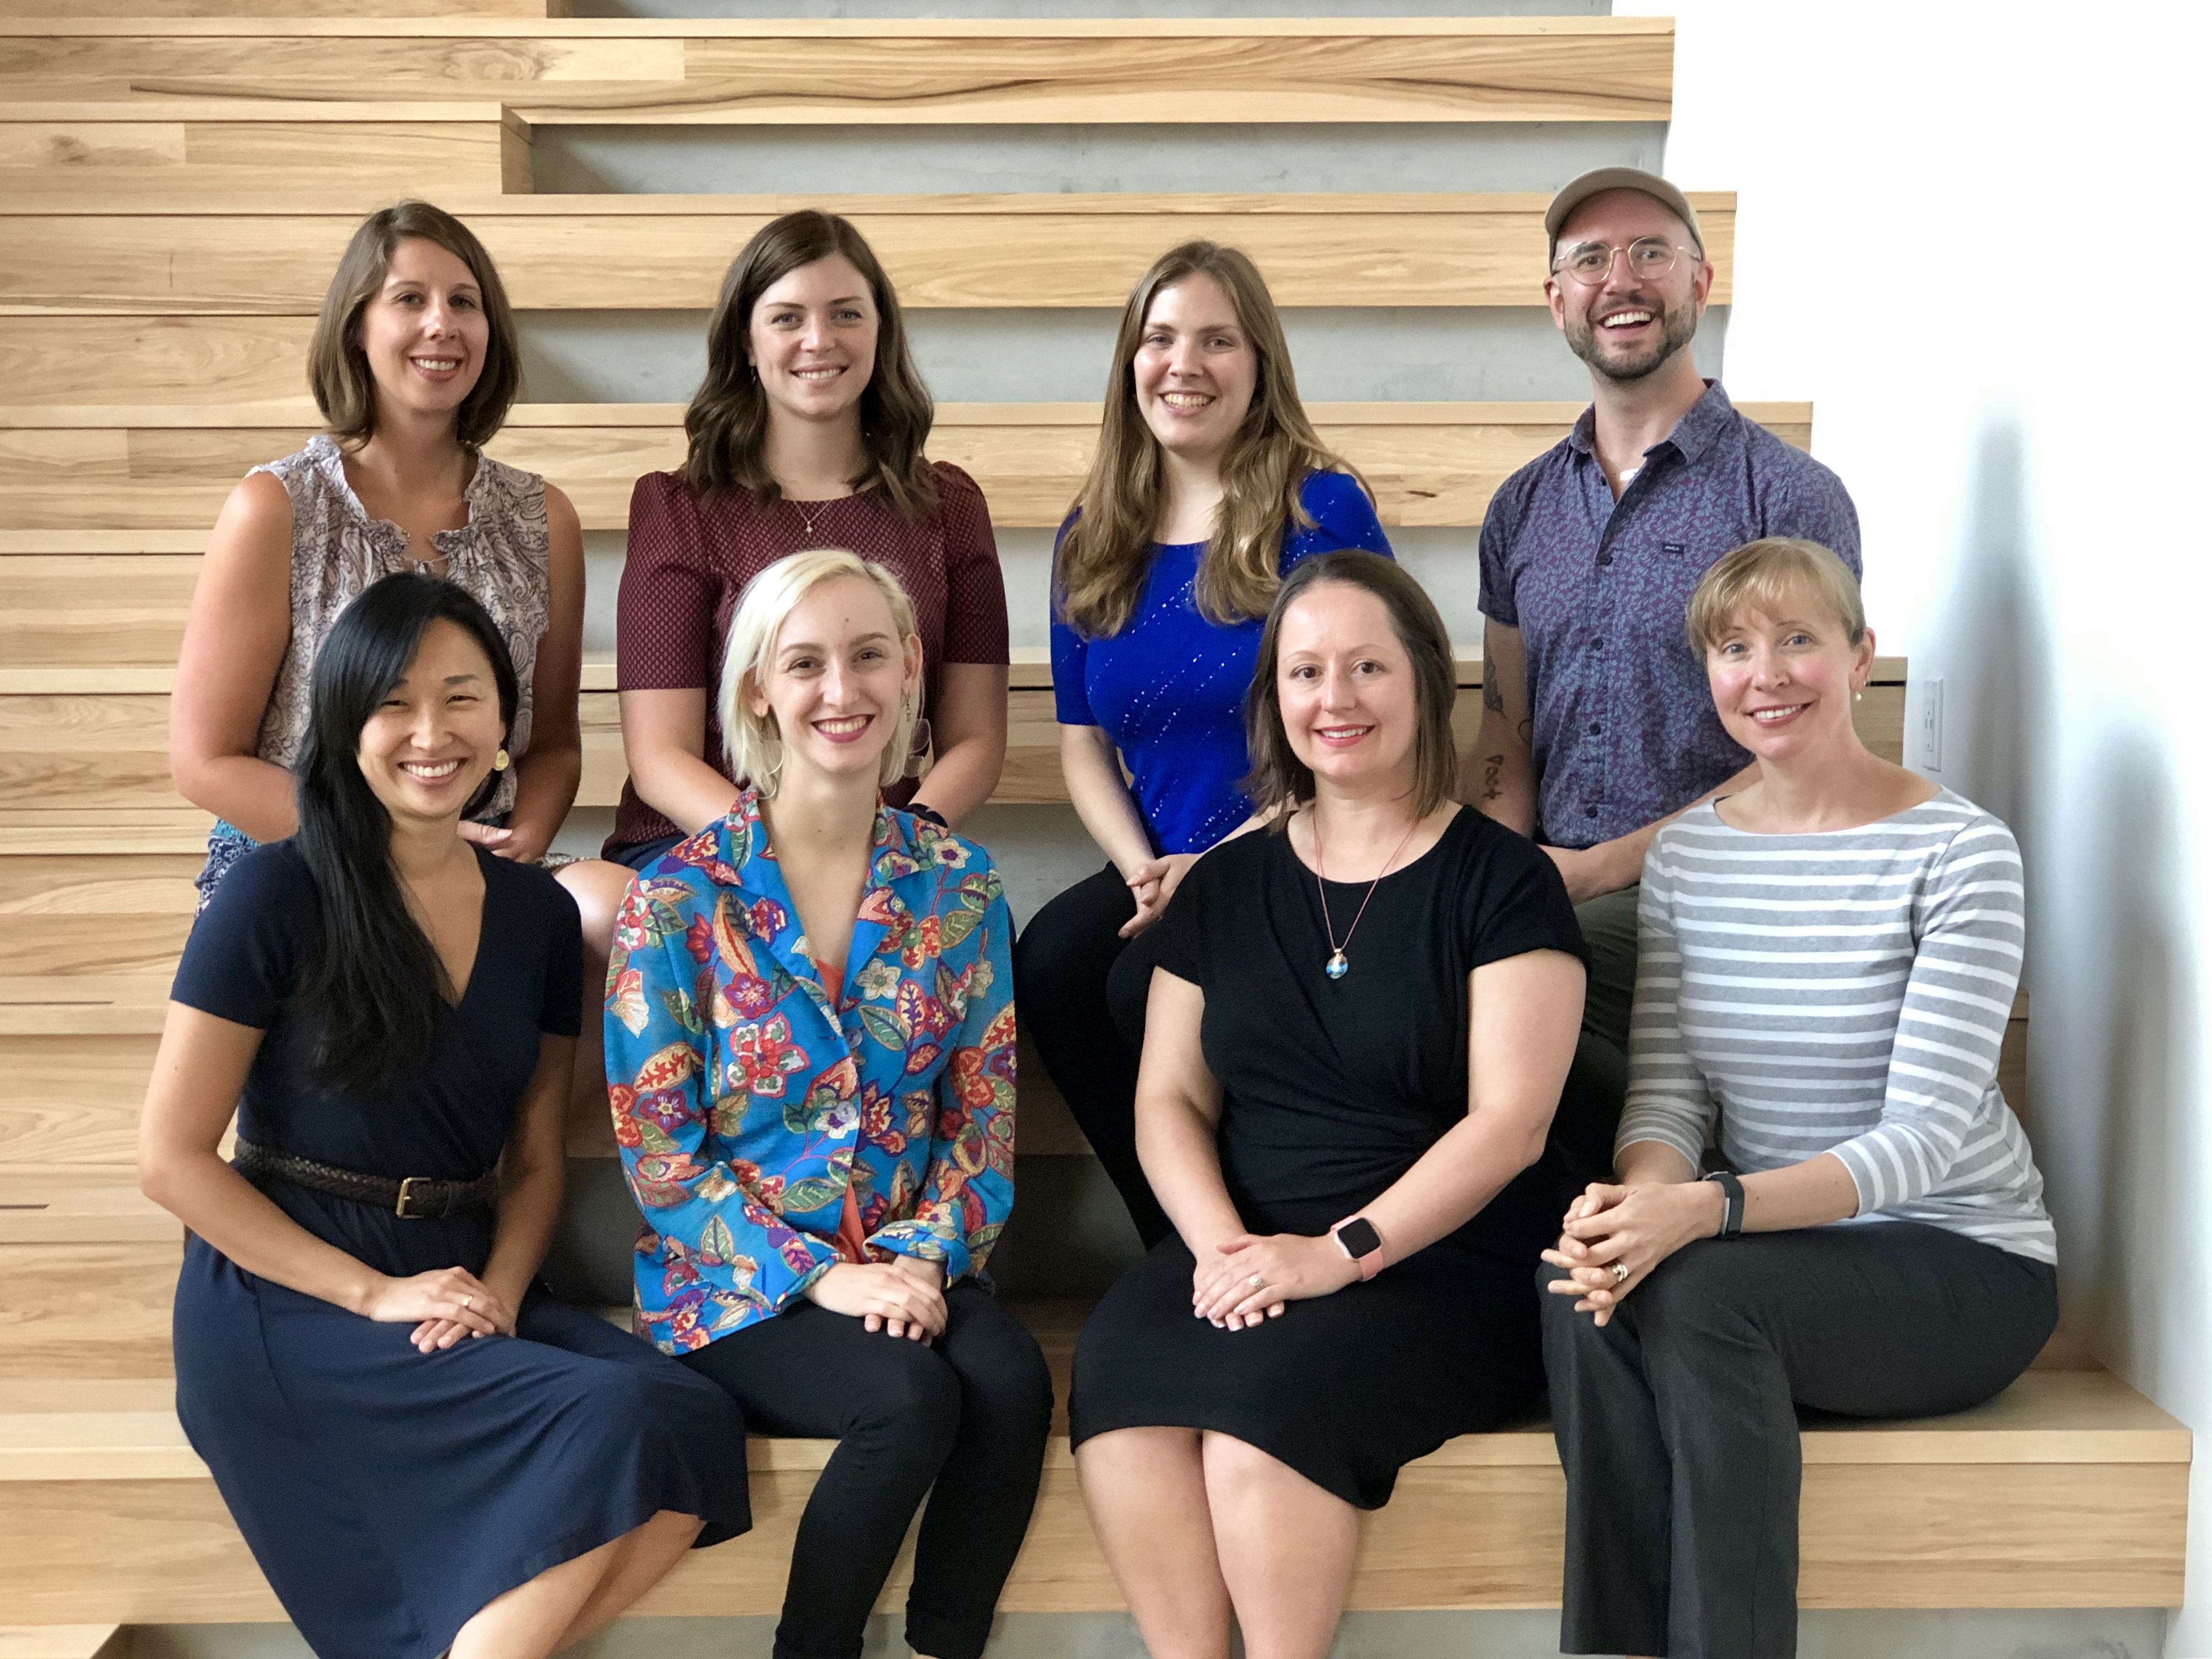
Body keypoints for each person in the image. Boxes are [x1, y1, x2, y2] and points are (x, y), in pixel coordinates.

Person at [138, 574, 747, 1659]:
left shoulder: (537, 914)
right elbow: (171, 1160)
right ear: (344, 723)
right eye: (396, 703)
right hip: (295, 1293)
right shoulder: (275, 893)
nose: (433, 732)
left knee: (691, 1420)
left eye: (463, 696)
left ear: (504, 722)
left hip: (465, 1268)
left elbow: (532, 1158)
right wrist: (374, 1293)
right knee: (613, 1422)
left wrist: (503, 1295)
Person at [1539, 537, 2056, 1659]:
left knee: (1702, 1295)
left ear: (1861, 656)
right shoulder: (1685, 859)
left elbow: (1920, 1142)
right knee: (1579, 1282)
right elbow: (1669, 1093)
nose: (1763, 673)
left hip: (1958, 1263)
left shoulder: (1960, 851)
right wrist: (1637, 1210)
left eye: (1796, 640)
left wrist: (1703, 1214)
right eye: (1733, 648)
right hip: (1773, 1261)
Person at [1072, 551, 1586, 1659]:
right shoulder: (1224, 884)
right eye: (1304, 672)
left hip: (1442, 1254)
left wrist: (1336, 1253)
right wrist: (1218, 1246)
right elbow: (1165, 1094)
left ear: (1422, 687)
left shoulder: (1503, 882)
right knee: (1121, 1393)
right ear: (1274, 702)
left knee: (1260, 1430)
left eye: (1365, 667)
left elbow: (1510, 1126)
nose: (1334, 698)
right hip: (1244, 1236)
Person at [605, 547, 1050, 1659]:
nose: (839, 690)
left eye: (866, 656)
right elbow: (661, 1154)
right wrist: (825, 1277)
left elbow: (984, 1116)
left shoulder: (962, 883)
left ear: (909, 671)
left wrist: (919, 1257)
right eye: (804, 663)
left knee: (1007, 1377)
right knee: (907, 1402)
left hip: (905, 1253)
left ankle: (949, 1643)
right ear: (757, 687)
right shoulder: (679, 895)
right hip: (736, 1275)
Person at [559, 208, 1009, 1138]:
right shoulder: (679, 507)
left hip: (885, 839)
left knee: (971, 917)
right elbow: (659, 755)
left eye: (847, 313)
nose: (820, 340)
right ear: (746, 343)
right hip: (707, 845)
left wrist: (895, 847)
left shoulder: (948, 505)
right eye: (789, 316)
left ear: (881, 333)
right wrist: (787, 861)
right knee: (594, 909)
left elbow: (975, 736)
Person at [1015, 241, 1392, 1246]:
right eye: (1161, 338)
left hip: (1302, 850)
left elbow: (1375, 719)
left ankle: (1251, 1230)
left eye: (1218, 340)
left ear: (1259, 363)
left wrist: (1209, 869)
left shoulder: (1321, 512)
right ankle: (1173, 1242)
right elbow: (1081, 742)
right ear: (1129, 363)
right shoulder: (1090, 533)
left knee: (1150, 986)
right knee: (1052, 963)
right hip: (1160, 860)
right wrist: (1143, 868)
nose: (1185, 363)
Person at [1466, 166, 1860, 1102]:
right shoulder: (1520, 507)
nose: (1622, 280)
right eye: (1591, 260)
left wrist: (1595, 871)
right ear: (1557, 299)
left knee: (1483, 988)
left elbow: (1811, 748)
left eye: (1651, 252)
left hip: (1727, 880)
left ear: (1700, 282)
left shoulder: (1789, 495)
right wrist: (1491, 875)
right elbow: (1503, 730)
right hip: (1557, 879)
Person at [170, 200, 584, 909]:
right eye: (409, 300)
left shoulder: (543, 518)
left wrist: (523, 841)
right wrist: (397, 850)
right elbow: (205, 761)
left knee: (619, 918)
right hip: (308, 859)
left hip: (480, 858)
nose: (442, 324)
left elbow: (553, 746)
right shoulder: (276, 507)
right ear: (357, 327)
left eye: (464, 302)